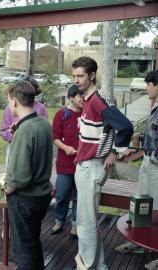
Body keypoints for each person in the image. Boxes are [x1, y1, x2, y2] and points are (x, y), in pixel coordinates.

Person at [72, 56, 134, 270]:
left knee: (86, 224)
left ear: (91, 75)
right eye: (74, 76)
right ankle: (97, 265)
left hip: (91, 167)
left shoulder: (97, 100)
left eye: (80, 76)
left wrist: (115, 152)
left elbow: (125, 126)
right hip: (88, 166)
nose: (76, 80)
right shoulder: (89, 99)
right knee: (86, 222)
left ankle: (87, 266)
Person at [4, 80, 53, 270]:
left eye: (9, 101)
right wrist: (19, 130)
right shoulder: (42, 123)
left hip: (25, 199)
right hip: (42, 195)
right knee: (33, 242)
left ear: (15, 101)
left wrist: (7, 188)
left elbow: (19, 177)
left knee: (23, 249)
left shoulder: (25, 130)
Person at [115, 70, 158, 270]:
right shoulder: (155, 109)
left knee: (157, 211)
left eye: (149, 84)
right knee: (142, 205)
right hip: (147, 163)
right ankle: (138, 244)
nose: (147, 88)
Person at [50, 85, 83, 238]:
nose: (82, 98)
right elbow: (54, 137)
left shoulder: (87, 115)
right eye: (79, 96)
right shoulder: (61, 115)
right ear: (71, 98)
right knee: (62, 194)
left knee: (78, 197)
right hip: (65, 164)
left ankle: (75, 224)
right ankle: (59, 220)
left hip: (82, 165)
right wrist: (65, 148)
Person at [0, 76, 48, 166]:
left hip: (35, 150)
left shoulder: (41, 108)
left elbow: (43, 132)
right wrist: (15, 138)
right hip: (14, 147)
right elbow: (3, 130)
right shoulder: (9, 108)